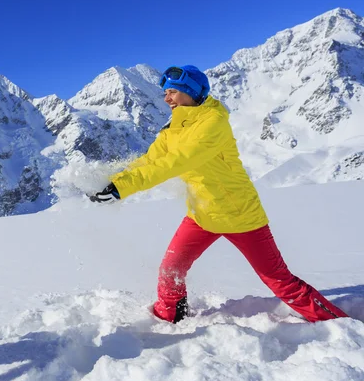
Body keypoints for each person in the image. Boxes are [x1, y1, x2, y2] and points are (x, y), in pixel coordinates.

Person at [90, 65, 348, 324]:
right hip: (202, 213)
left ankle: (338, 323)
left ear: (189, 92)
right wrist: (114, 183)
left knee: (278, 279)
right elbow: (151, 160)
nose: (166, 99)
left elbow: (178, 161)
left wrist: (124, 187)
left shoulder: (213, 122)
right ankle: (169, 320)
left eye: (172, 92)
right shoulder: (175, 126)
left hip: (240, 215)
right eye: (165, 93)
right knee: (170, 271)